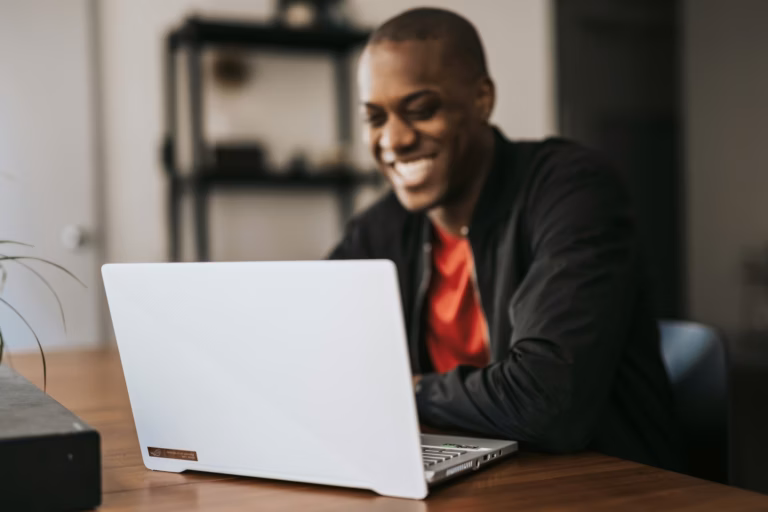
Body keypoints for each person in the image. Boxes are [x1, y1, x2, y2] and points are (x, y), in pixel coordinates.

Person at [330, 7, 681, 471]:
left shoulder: (573, 191)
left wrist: (408, 389)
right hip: (475, 477)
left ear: (482, 98)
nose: (393, 140)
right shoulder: (383, 226)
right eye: (375, 118)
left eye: (421, 110)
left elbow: (545, 402)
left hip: (603, 485)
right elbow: (316, 353)